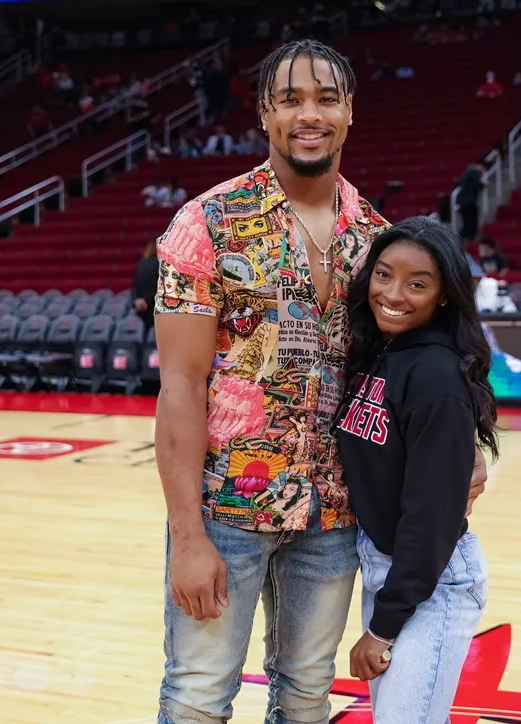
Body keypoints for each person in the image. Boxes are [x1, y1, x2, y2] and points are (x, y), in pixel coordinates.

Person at [152, 39, 488, 724]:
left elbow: (416, 367)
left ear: (349, 112)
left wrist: (463, 443)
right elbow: (180, 387)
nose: (310, 113)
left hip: (336, 515)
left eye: (327, 98)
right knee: (197, 695)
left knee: (306, 695)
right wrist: (187, 535)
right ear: (265, 114)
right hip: (228, 513)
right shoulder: (206, 225)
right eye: (291, 99)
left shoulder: (379, 238)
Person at [332, 216, 498, 721]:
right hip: (390, 568)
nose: (394, 294)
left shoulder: (436, 377)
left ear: (444, 295)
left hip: (431, 579)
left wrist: (383, 626)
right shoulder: (381, 354)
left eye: (417, 284)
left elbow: (430, 517)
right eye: (384, 274)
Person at [452, 164, 484, 241]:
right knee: (470, 223)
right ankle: (468, 238)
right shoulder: (473, 172)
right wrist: (483, 185)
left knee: (466, 223)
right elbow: (477, 184)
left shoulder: (467, 174)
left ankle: (464, 239)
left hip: (464, 203)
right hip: (469, 202)